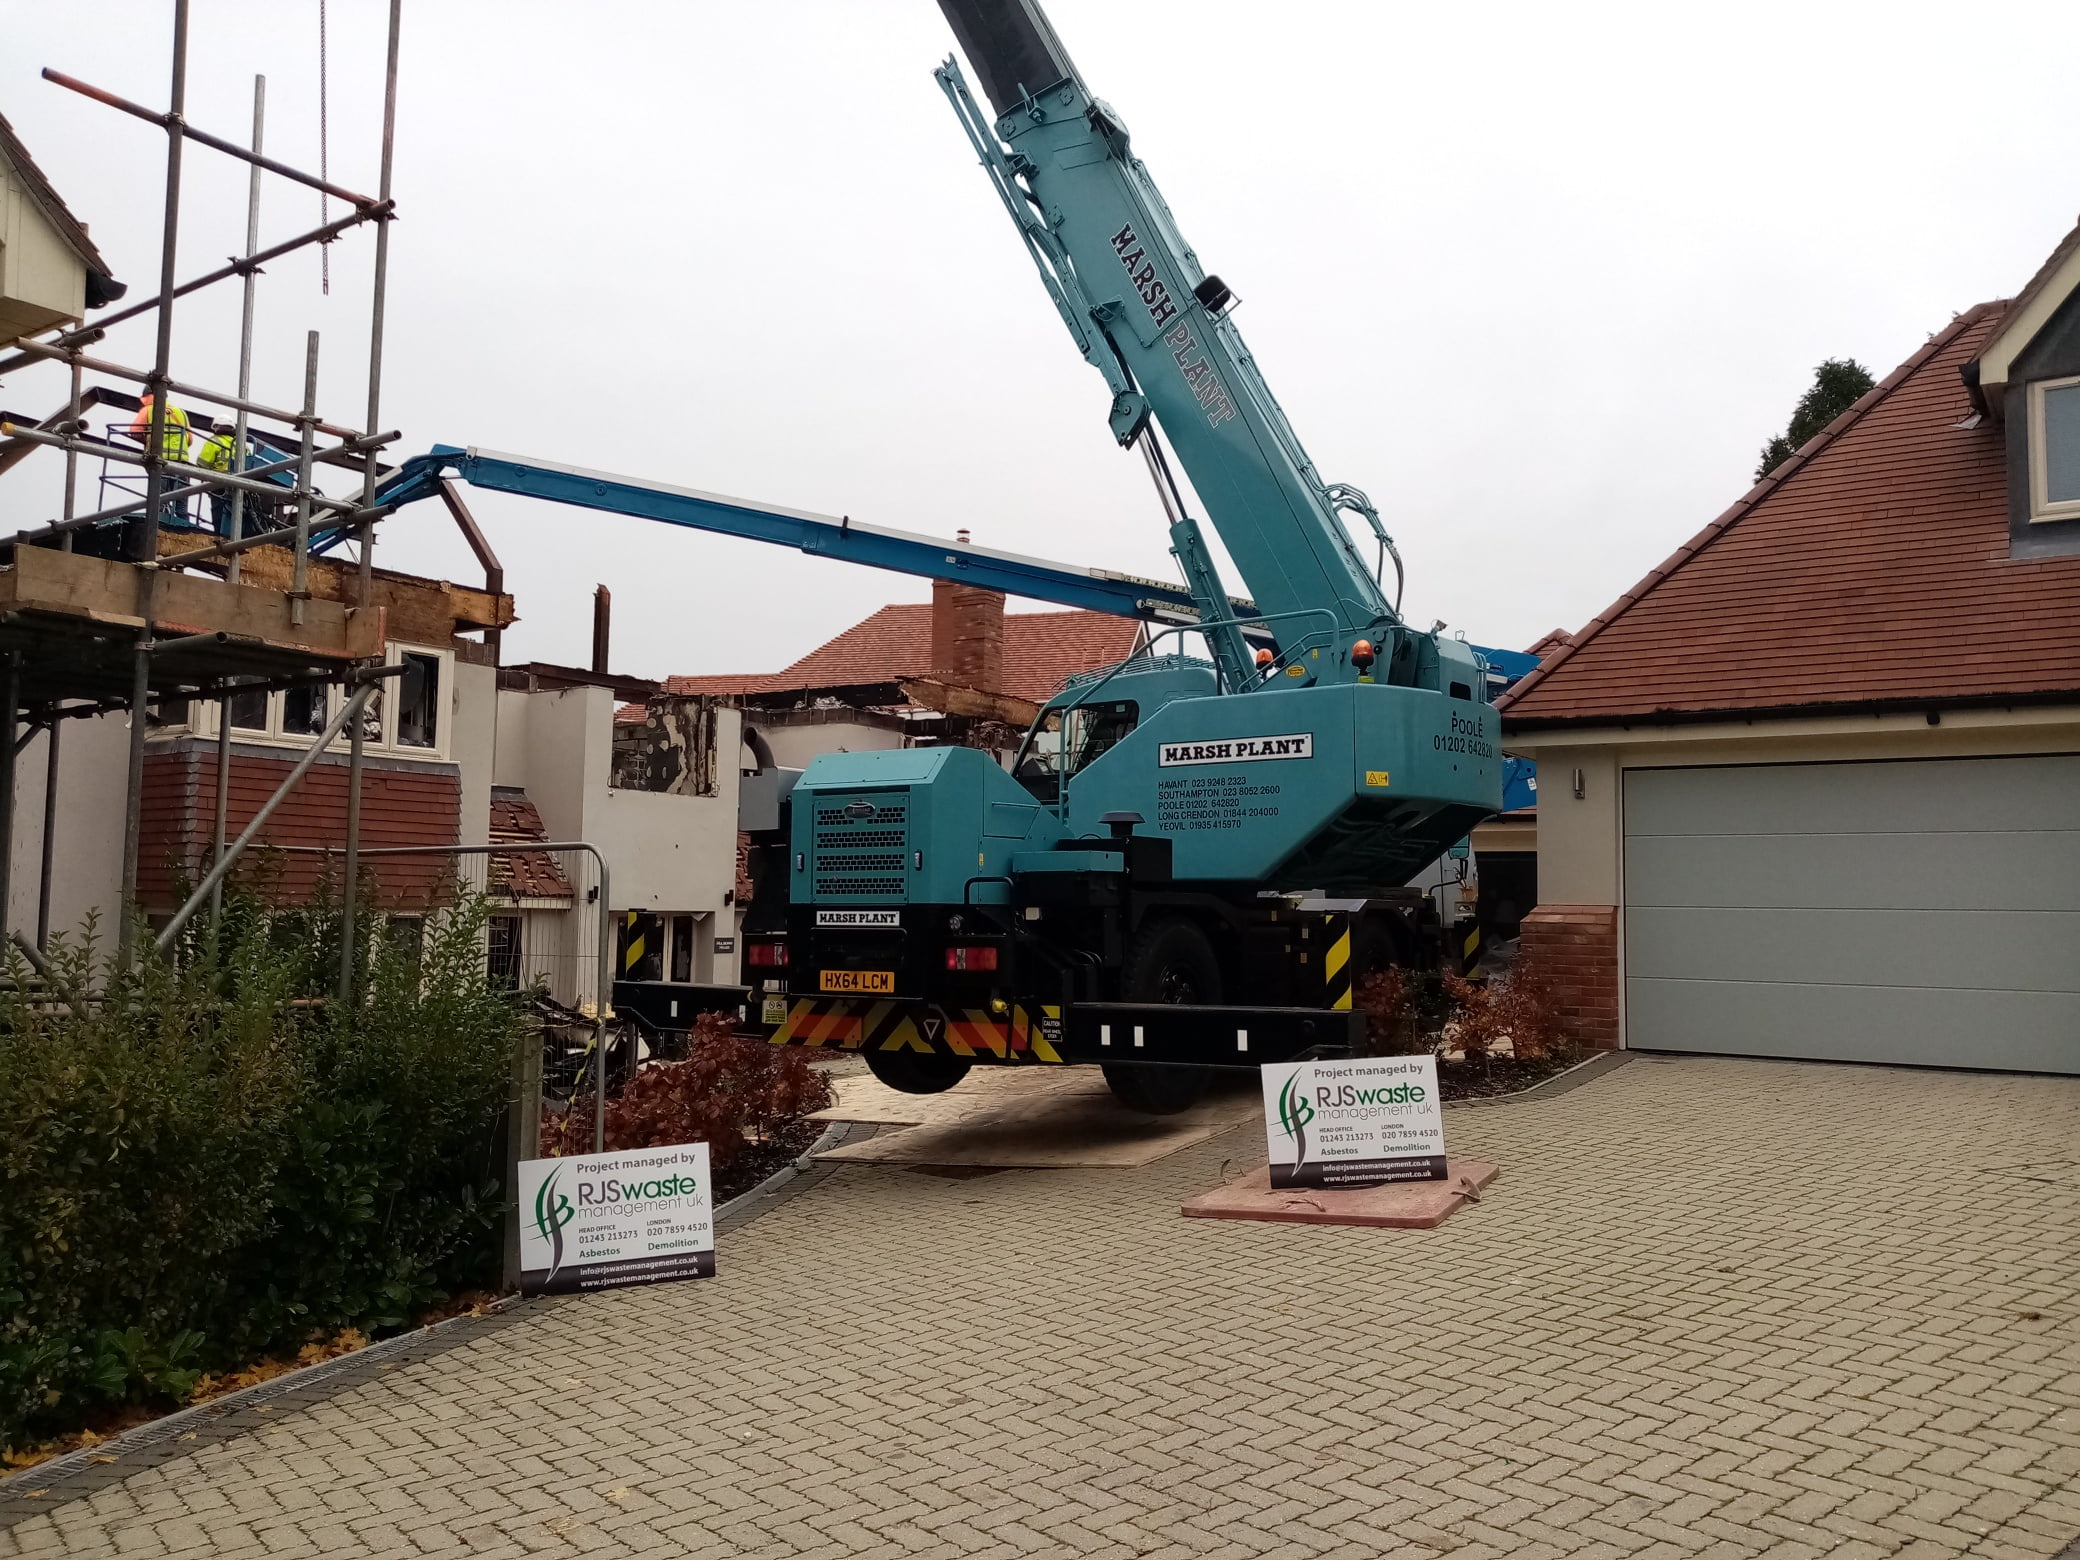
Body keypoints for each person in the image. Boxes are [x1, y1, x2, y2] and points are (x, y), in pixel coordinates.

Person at [128, 391, 194, 527]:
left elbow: (134, 431)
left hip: (160, 463)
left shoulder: (149, 410)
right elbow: (190, 439)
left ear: (146, 397)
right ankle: (186, 531)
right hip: (182, 464)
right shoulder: (180, 412)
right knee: (181, 506)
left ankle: (158, 528)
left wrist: (147, 439)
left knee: (159, 501)